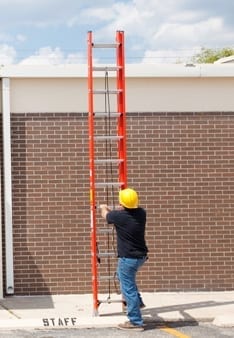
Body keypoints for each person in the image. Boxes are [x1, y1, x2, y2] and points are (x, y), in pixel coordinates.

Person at [100, 188, 148, 331]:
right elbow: (121, 212)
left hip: (128, 258)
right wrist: (117, 208)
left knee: (128, 288)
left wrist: (103, 207)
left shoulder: (119, 217)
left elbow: (106, 215)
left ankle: (135, 322)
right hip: (140, 256)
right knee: (124, 279)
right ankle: (137, 302)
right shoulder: (141, 213)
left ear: (122, 203)